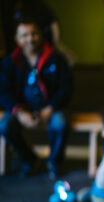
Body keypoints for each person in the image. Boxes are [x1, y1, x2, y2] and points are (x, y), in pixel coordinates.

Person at [0, 17, 72, 178]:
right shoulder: (10, 62)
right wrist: (19, 112)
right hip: (22, 109)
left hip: (51, 108)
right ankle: (29, 160)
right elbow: (3, 92)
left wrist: (50, 108)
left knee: (60, 123)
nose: (30, 39)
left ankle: (54, 162)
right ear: (17, 39)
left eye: (34, 34)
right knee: (4, 126)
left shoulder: (56, 59)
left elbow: (66, 89)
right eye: (24, 35)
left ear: (40, 35)